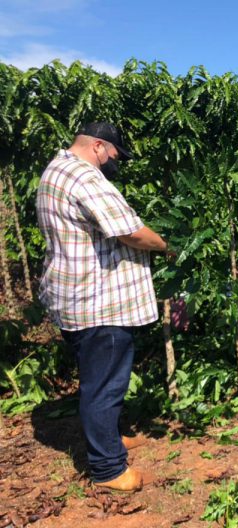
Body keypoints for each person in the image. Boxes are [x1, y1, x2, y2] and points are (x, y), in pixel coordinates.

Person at [36, 122, 170, 491]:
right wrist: (166, 246)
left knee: (97, 379)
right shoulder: (84, 177)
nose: (115, 162)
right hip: (99, 303)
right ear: (98, 146)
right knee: (105, 386)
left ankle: (108, 439)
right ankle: (109, 469)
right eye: (114, 154)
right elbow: (130, 232)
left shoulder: (56, 169)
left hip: (74, 296)